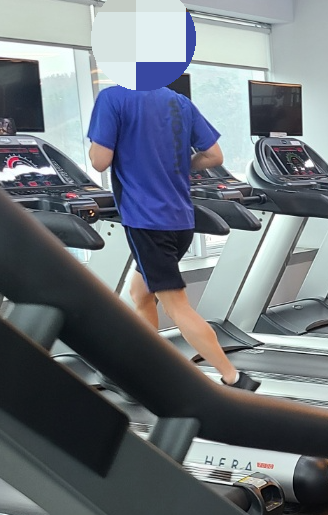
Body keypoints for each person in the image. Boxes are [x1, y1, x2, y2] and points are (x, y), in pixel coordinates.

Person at [87, 82, 259, 391]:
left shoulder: (113, 97)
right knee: (140, 293)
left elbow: (100, 161)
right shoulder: (178, 101)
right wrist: (177, 167)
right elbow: (214, 155)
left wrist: (97, 144)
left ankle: (234, 378)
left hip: (147, 221)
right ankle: (147, 369)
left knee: (176, 305)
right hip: (181, 221)